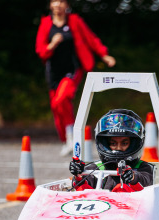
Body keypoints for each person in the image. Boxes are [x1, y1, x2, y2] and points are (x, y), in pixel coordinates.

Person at [36, 0, 116, 156]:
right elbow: (41, 51)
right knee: (56, 106)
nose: (58, 4)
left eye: (61, 1)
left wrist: (104, 54)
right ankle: (68, 139)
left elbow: (90, 38)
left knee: (62, 98)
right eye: (55, 1)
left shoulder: (74, 21)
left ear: (67, 5)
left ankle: (72, 138)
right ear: (50, 5)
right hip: (53, 71)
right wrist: (52, 44)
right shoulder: (46, 23)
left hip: (72, 69)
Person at [69, 109, 154, 191]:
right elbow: (82, 190)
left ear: (134, 144)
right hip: (98, 204)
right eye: (113, 143)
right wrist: (79, 175)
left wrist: (132, 177)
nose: (118, 148)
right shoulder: (94, 168)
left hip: (132, 204)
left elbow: (145, 181)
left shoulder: (144, 168)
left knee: (121, 189)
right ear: (105, 144)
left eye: (124, 143)